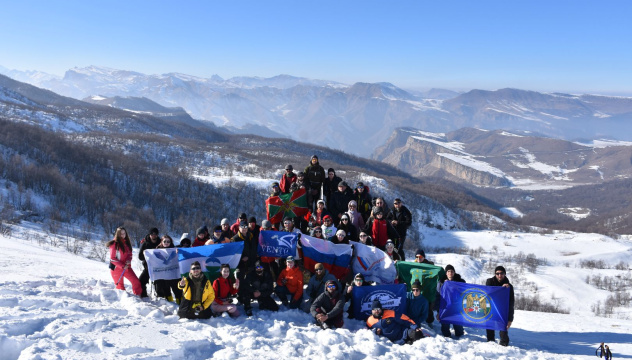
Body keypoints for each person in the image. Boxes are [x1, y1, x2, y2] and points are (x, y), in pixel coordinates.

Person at [107, 227, 142, 296]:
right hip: (116, 269)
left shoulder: (126, 243)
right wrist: (122, 266)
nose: (123, 235)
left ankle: (138, 297)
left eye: (124, 233)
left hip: (127, 268)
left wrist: (129, 260)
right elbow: (112, 259)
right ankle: (123, 302)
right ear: (117, 234)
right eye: (121, 234)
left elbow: (130, 254)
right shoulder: (114, 244)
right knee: (120, 289)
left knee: (136, 281)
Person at [486, 266, 515, 346]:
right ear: (495, 274)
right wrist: (500, 289)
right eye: (497, 273)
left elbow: (511, 303)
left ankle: (504, 345)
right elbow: (488, 294)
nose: (499, 275)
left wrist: (510, 319)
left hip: (503, 311)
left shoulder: (509, 287)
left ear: (504, 274)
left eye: (501, 273)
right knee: (490, 328)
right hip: (491, 309)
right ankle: (490, 343)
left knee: (503, 329)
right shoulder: (489, 282)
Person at [436, 264, 466, 338]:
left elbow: (464, 293)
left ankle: (460, 339)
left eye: (452, 271)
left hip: (456, 308)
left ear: (454, 272)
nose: (450, 273)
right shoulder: (441, 283)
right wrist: (438, 312)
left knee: (459, 331)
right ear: (446, 273)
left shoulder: (460, 282)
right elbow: (438, 297)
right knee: (445, 331)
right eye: (448, 271)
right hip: (445, 308)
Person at [154, 235, 183, 303]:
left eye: (168, 241)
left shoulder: (174, 249)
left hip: (173, 273)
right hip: (163, 274)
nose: (166, 243)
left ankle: (179, 301)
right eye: (165, 241)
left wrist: (179, 252)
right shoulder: (156, 251)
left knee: (177, 289)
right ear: (161, 242)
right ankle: (169, 302)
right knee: (166, 289)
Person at [138, 227, 160, 297]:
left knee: (159, 283)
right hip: (148, 267)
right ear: (149, 235)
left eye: (155, 234)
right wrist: (147, 255)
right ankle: (143, 294)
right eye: (152, 234)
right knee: (141, 281)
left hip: (158, 267)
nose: (153, 235)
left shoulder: (160, 242)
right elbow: (140, 257)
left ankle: (161, 297)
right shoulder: (145, 244)